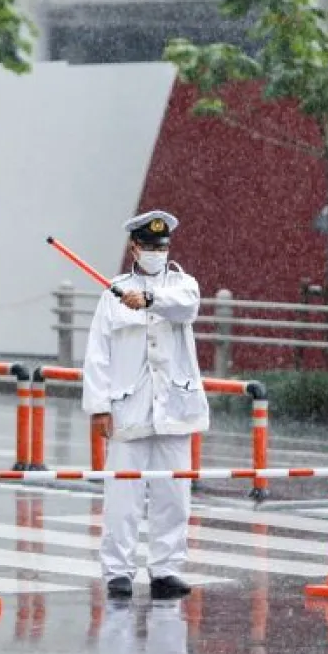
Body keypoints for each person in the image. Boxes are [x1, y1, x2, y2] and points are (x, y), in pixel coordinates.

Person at [82, 210, 209, 601]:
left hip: (175, 407)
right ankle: (118, 572)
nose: (156, 252)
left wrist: (150, 299)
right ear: (134, 248)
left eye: (162, 245)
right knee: (123, 499)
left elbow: (185, 306)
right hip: (128, 409)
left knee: (173, 496)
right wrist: (99, 407)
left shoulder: (182, 284)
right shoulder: (113, 294)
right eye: (149, 246)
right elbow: (97, 354)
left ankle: (166, 570)